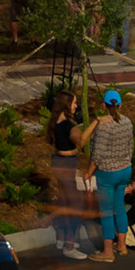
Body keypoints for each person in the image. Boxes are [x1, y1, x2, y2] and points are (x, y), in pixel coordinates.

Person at [78, 90, 134, 259]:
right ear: (121, 105)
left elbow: (97, 154)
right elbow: (131, 147)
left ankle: (107, 252)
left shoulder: (103, 125)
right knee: (120, 208)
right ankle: (122, 246)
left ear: (104, 105)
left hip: (108, 174)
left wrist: (88, 172)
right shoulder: (128, 122)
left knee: (107, 212)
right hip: (125, 170)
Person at [47, 90, 88, 260]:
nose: (76, 106)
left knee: (64, 201)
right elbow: (81, 141)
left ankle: (61, 237)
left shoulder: (55, 121)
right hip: (68, 163)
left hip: (58, 161)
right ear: (66, 105)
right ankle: (69, 245)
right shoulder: (68, 126)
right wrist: (94, 124)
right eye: (74, 103)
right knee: (75, 205)